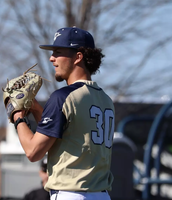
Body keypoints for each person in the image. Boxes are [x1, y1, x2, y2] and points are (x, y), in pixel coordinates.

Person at [13, 27, 114, 200]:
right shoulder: (106, 100)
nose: (52, 58)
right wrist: (37, 109)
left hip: (71, 194)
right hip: (102, 195)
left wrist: (18, 117)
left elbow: (33, 152)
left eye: (58, 52)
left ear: (78, 57)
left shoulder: (63, 97)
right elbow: (64, 136)